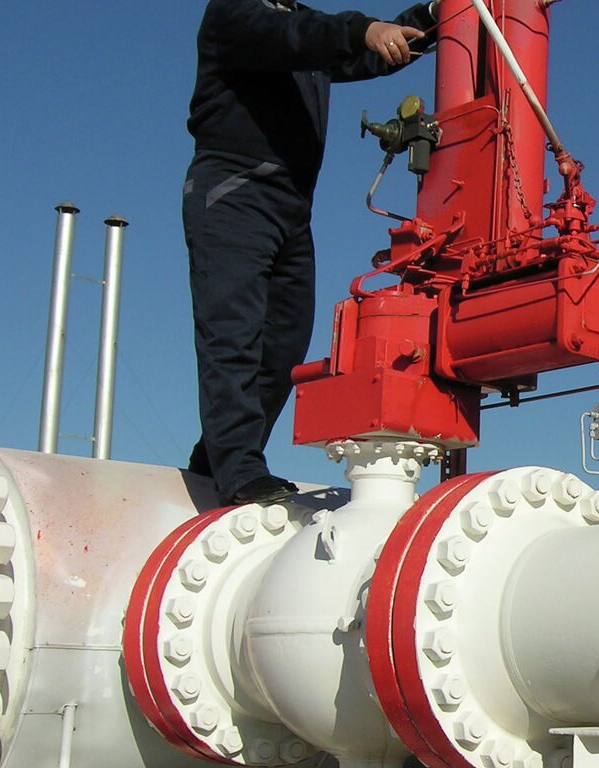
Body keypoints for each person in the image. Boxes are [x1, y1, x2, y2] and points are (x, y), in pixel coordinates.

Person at [183, 0, 436, 504]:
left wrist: (432, 15)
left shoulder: (301, 26)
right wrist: (362, 29)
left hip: (292, 206)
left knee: (285, 342)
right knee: (233, 334)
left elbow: (356, 52)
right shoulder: (235, 14)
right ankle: (239, 470)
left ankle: (214, 460)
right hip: (234, 191)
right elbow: (301, 35)